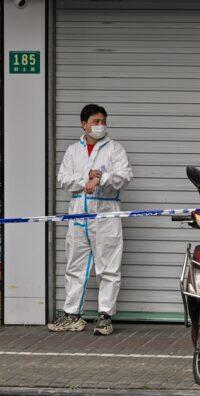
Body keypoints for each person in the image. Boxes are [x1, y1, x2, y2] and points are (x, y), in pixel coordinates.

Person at [49, 104, 132, 335]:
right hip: (78, 210)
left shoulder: (114, 149)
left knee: (108, 266)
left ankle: (105, 315)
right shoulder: (73, 150)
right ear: (83, 124)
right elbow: (63, 179)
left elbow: (125, 176)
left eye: (103, 121)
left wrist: (102, 178)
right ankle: (72, 314)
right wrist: (85, 177)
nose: (100, 125)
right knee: (75, 264)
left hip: (106, 210)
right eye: (95, 121)